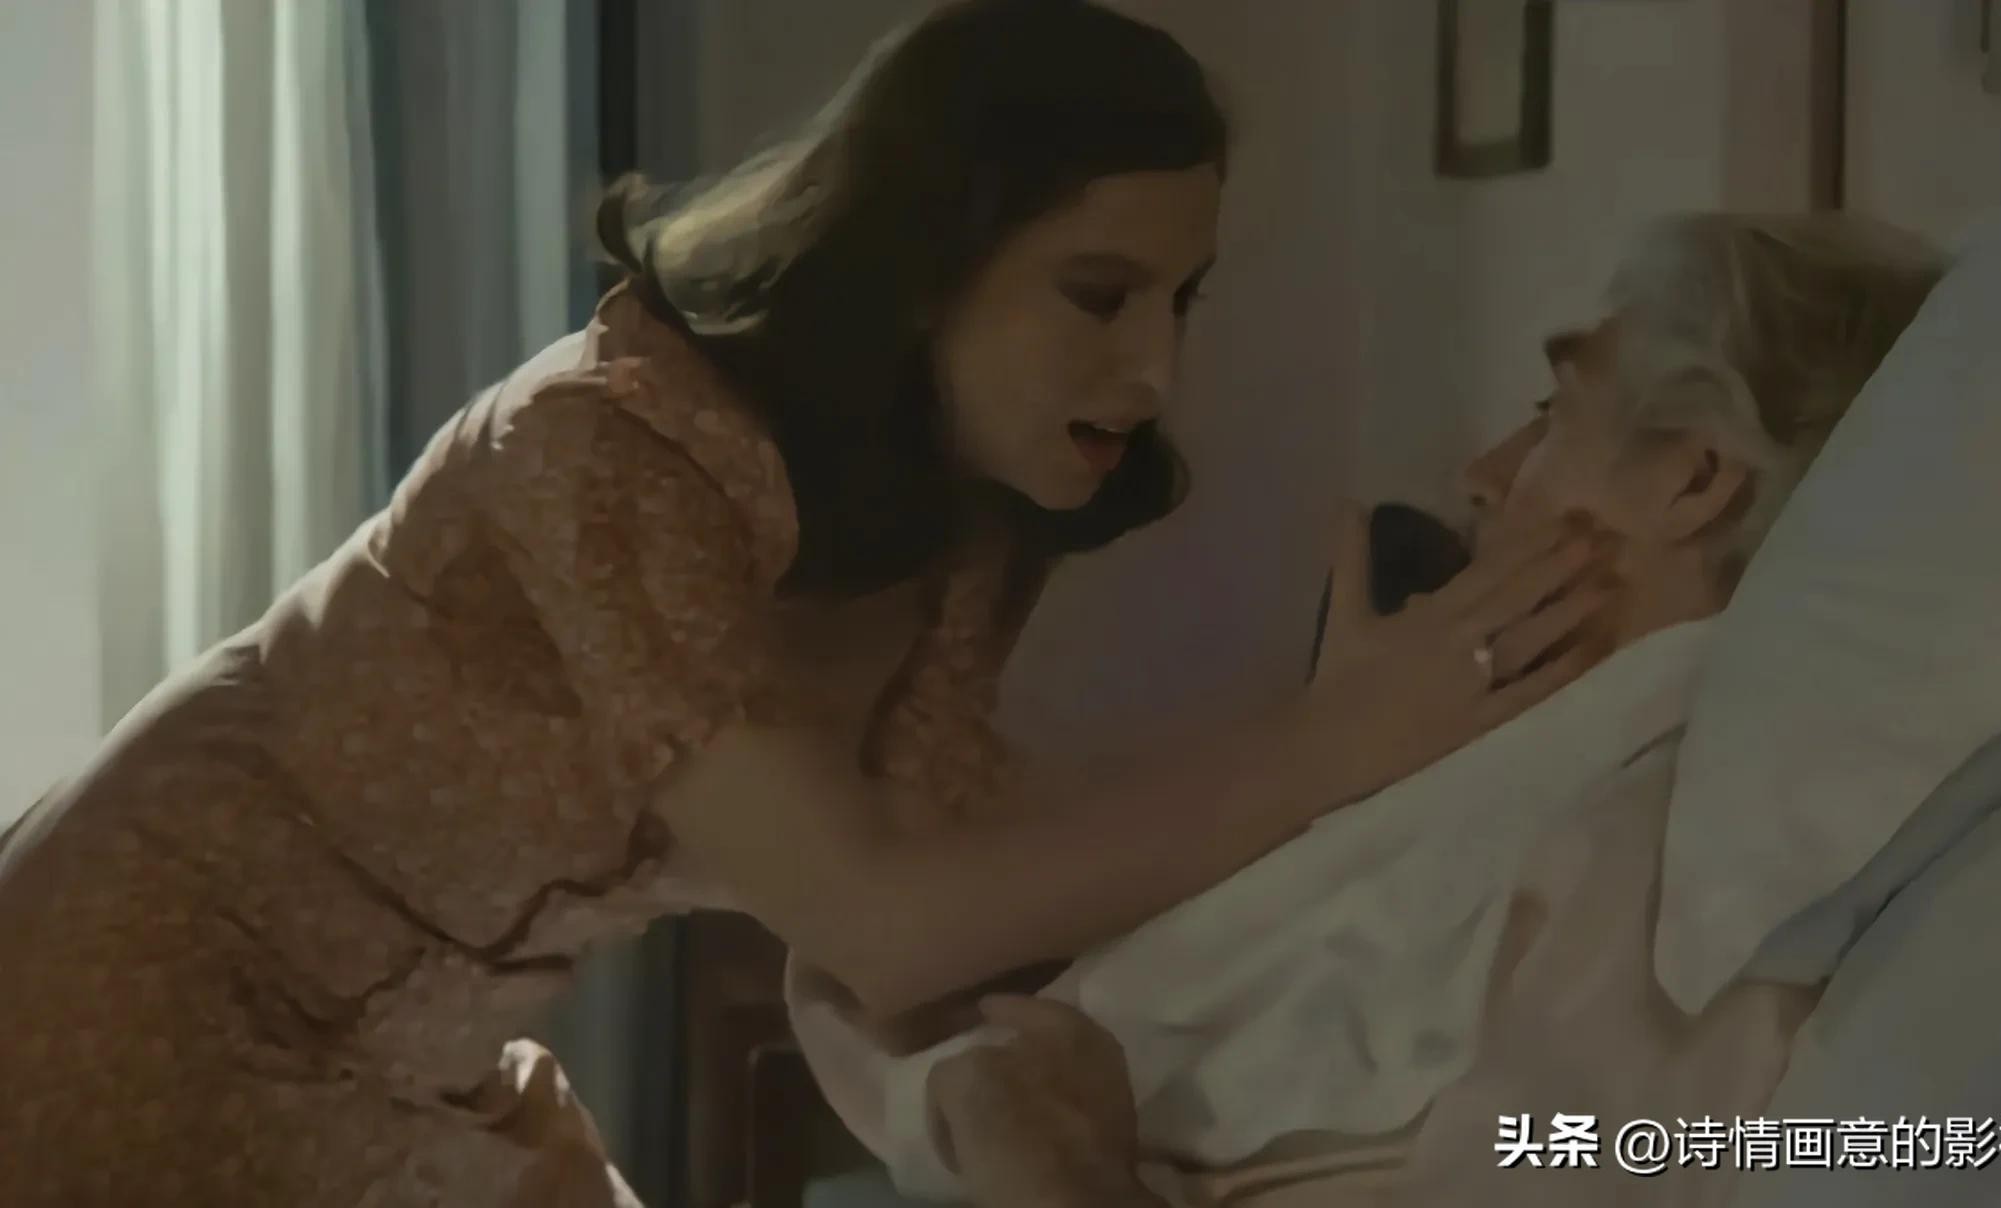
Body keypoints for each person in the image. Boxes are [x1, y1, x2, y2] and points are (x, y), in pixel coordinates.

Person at [0, 3, 1618, 1205]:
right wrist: (1331, 745)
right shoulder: (602, 450)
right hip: (143, 993)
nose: (1153, 372)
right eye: (1098, 294)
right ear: (924, 262)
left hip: (404, 1058)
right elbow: (879, 917)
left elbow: (951, 906)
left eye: (1179, 300)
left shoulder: (952, 524)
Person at [918, 211, 1950, 1208]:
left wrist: (1058, 1180)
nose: (1482, 476)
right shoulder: (1520, 788)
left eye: (1553, 413)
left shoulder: (1657, 869)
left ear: (1692, 479)